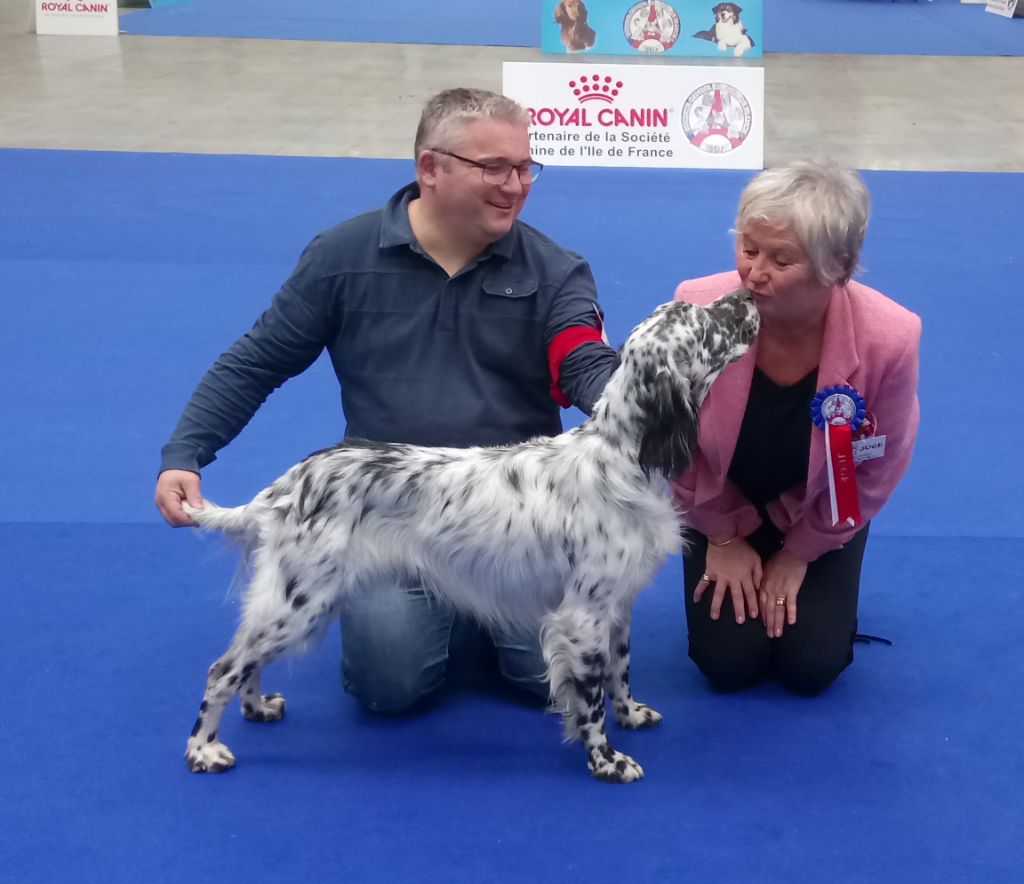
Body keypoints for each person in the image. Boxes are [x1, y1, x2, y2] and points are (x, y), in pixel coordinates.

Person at [155, 88, 618, 712]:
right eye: (494, 169)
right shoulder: (341, 258)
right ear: (431, 167)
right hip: (387, 514)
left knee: (550, 682)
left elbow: (583, 356)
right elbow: (256, 361)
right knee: (391, 684)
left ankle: (480, 615)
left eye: (525, 167)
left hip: (519, 519)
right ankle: (461, 614)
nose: (516, 185)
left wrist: (633, 400)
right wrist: (187, 451)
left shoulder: (556, 269)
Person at [672, 159, 921, 696]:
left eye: (781, 259)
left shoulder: (891, 338)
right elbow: (670, 438)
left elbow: (877, 464)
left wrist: (800, 550)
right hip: (716, 498)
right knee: (727, 666)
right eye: (748, 248)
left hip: (821, 506)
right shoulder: (696, 306)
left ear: (841, 266)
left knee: (811, 668)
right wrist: (720, 533)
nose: (753, 272)